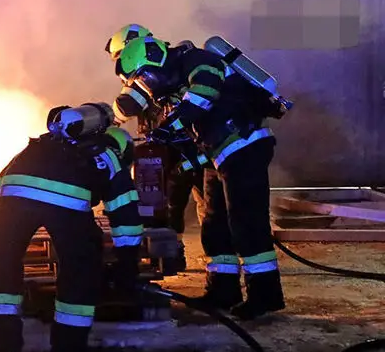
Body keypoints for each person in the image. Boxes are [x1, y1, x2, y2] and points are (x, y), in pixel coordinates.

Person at [115, 36, 284, 321]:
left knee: (246, 223)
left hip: (245, 146)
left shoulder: (199, 61)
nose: (146, 84)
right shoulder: (176, 82)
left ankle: (264, 295)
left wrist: (170, 126)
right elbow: (197, 131)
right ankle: (223, 290)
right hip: (219, 155)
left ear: (155, 60)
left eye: (145, 78)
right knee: (214, 224)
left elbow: (204, 96)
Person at [0, 102, 142, 352]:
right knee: (79, 272)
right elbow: (125, 216)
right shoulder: (109, 156)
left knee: (3, 273)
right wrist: (127, 263)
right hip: (67, 205)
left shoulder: (39, 144)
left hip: (13, 201)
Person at [106, 25, 204, 272]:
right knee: (203, 202)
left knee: (165, 205)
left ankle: (172, 255)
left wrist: (101, 123)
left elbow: (126, 106)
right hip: (195, 147)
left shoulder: (146, 74)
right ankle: (214, 255)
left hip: (173, 150)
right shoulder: (170, 63)